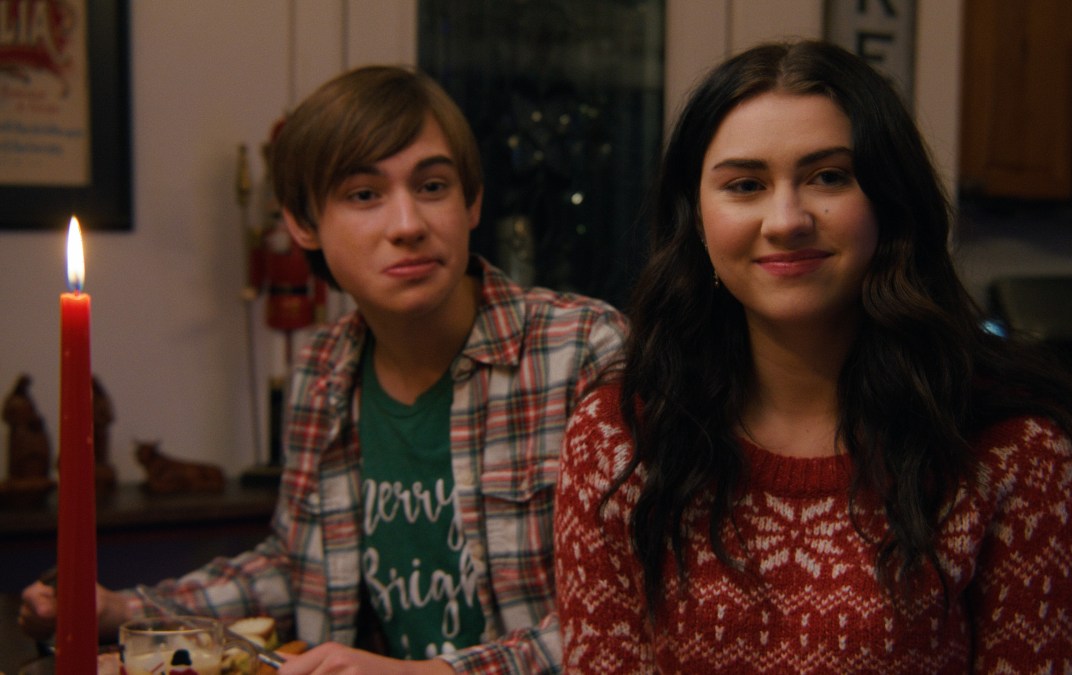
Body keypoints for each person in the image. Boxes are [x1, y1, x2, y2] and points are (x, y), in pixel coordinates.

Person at [553, 40, 1072, 673]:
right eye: (745, 185)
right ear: (696, 219)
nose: (786, 219)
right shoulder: (619, 440)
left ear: (889, 205)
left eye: (828, 177)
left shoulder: (1015, 453)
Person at [20, 65, 627, 674]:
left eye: (433, 186)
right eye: (364, 195)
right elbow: (297, 566)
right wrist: (128, 609)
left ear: (472, 202)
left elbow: (633, 616)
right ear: (303, 224)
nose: (408, 224)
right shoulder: (325, 366)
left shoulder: (582, 354)